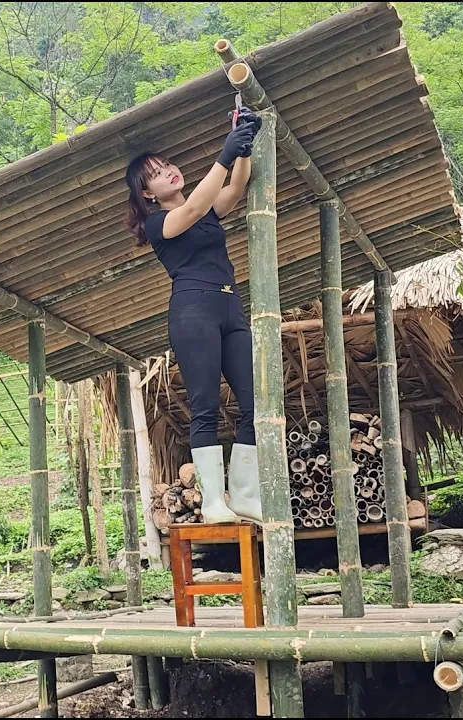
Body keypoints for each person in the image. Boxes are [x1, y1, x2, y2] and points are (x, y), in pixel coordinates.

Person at [124, 107, 264, 524]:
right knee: (204, 406)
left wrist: (243, 140)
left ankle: (242, 495)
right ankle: (212, 502)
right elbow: (193, 208)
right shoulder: (158, 224)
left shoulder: (208, 212)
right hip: (193, 311)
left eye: (168, 165)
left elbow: (236, 185)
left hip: (230, 306)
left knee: (254, 406)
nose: (169, 172)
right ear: (148, 194)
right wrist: (226, 151)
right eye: (157, 174)